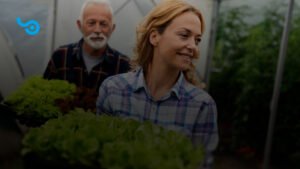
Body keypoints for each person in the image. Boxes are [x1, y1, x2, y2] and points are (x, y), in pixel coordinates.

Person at [96, 0, 218, 168]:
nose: (193, 47)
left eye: (197, 40)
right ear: (154, 37)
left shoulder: (202, 105)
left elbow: (202, 164)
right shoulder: (113, 90)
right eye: (184, 35)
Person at [43, 0, 130, 112]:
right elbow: (45, 97)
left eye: (103, 24)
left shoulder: (123, 65)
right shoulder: (61, 56)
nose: (97, 30)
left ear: (112, 28)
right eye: (91, 23)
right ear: (80, 25)